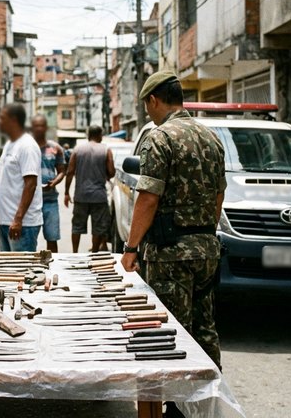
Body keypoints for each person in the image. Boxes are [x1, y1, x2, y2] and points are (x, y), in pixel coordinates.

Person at [120, 71, 226, 375]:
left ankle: (177, 405)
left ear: (154, 100)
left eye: (147, 106)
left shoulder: (160, 137)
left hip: (172, 253)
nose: (148, 114)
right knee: (204, 327)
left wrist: (131, 248)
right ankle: (208, 397)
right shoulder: (211, 136)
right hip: (206, 248)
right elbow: (219, 194)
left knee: (172, 331)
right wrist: (205, 234)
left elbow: (149, 197)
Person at [0, 103, 42, 252]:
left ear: (13, 121)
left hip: (22, 225)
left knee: (22, 272)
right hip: (6, 221)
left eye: (2, 118)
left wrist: (18, 219)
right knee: (8, 271)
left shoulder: (27, 146)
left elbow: (31, 184)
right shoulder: (10, 143)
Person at [64, 125, 115, 253]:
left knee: (77, 226)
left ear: (88, 134)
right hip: (99, 196)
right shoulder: (105, 150)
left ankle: (75, 253)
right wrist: (105, 174)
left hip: (81, 196)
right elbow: (112, 171)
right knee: (98, 228)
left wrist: (66, 192)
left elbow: (70, 172)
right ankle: (94, 253)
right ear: (99, 135)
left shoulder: (77, 149)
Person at [31, 114, 65, 253]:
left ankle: (52, 268)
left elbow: (62, 171)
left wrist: (54, 182)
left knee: (52, 238)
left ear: (46, 128)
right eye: (36, 126)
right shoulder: (27, 147)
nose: (39, 128)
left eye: (41, 125)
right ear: (32, 128)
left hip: (50, 200)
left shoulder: (55, 148)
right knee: (29, 240)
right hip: (30, 201)